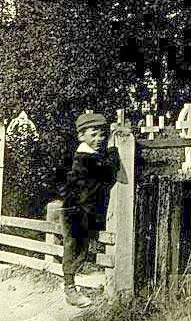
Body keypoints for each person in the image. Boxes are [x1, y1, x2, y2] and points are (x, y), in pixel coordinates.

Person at [60, 112, 121, 307]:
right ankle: (69, 289)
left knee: (82, 246)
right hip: (76, 211)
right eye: (93, 134)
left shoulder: (91, 155)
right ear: (81, 136)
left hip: (86, 208)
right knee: (75, 246)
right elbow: (110, 172)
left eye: (102, 134)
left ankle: (77, 283)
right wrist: (113, 150)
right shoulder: (85, 158)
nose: (99, 139)